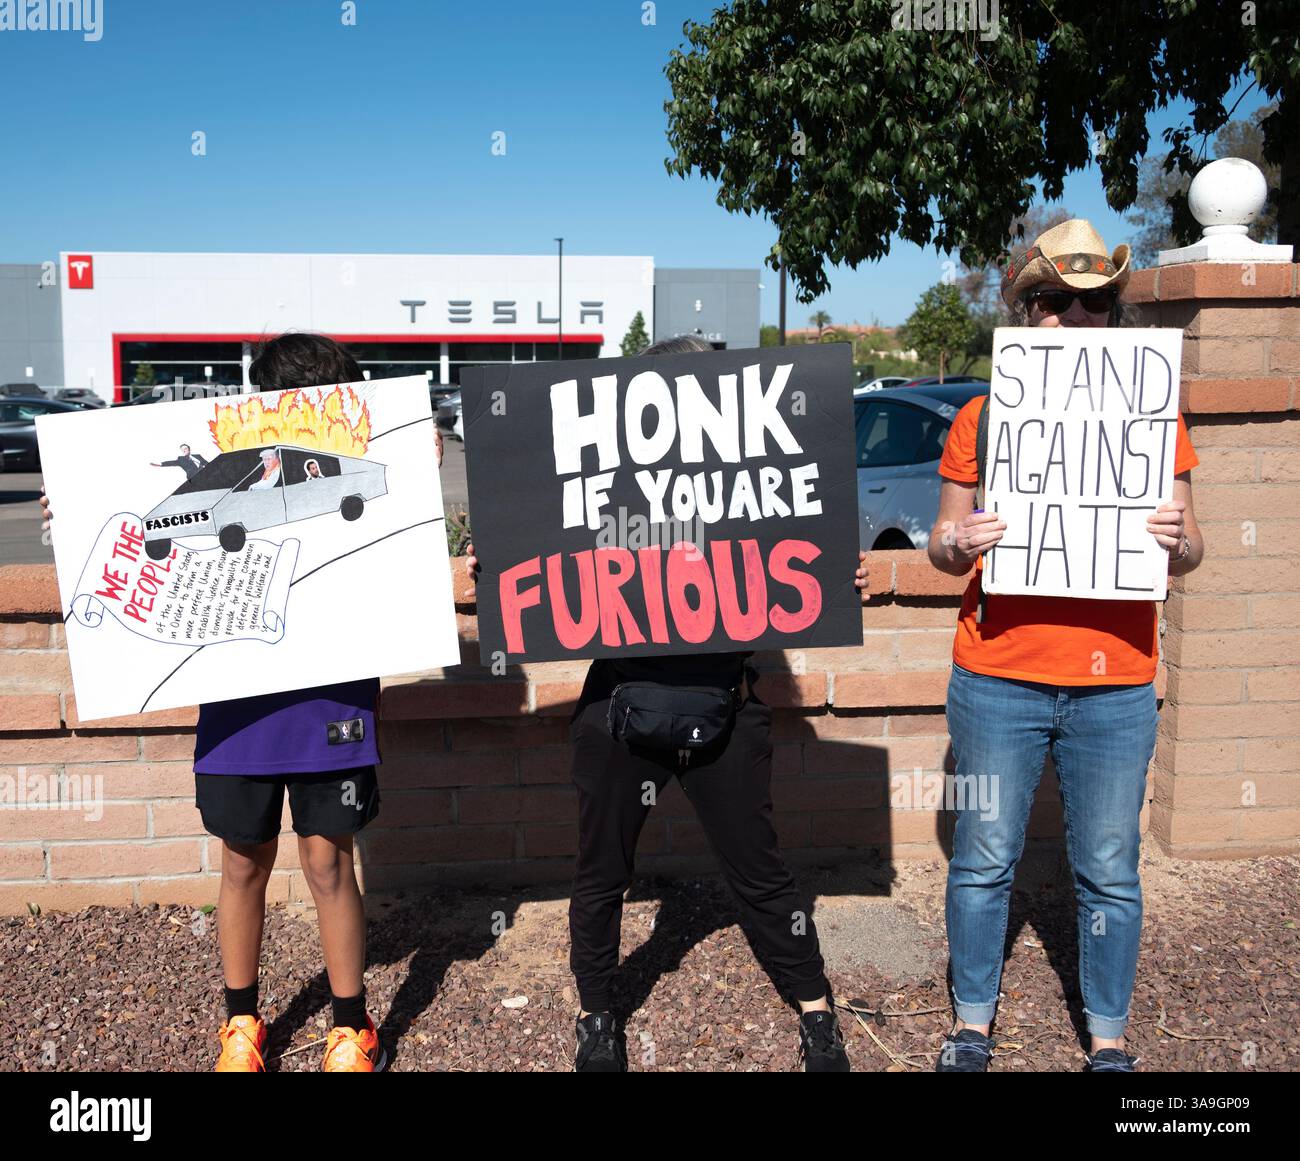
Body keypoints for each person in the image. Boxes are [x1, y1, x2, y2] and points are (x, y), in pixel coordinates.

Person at [468, 335, 869, 1073]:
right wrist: (497, 568)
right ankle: (597, 1014)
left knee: (760, 870)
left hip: (724, 708)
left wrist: (842, 571)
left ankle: (816, 1009)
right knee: (601, 872)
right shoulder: (604, 490)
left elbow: (798, 541)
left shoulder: (738, 485)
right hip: (619, 710)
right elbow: (540, 540)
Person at [42, 333, 434, 1072]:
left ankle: (351, 1027)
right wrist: (78, 506)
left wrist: (420, 455)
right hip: (238, 703)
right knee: (242, 862)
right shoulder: (238, 463)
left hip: (332, 703)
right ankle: (242, 1023)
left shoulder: (357, 460)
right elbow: (142, 519)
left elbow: (402, 523)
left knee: (327, 862)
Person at [926, 220, 1203, 1073]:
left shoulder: (1156, 416)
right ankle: (971, 1026)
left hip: (1115, 685)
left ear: (1113, 315)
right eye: (1054, 298)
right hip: (996, 676)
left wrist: (1178, 537)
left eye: (1095, 302)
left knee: (1111, 868)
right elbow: (939, 546)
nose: (1075, 315)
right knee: (982, 859)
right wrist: (959, 541)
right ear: (1026, 310)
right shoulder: (981, 418)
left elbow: (1192, 549)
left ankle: (1109, 1040)